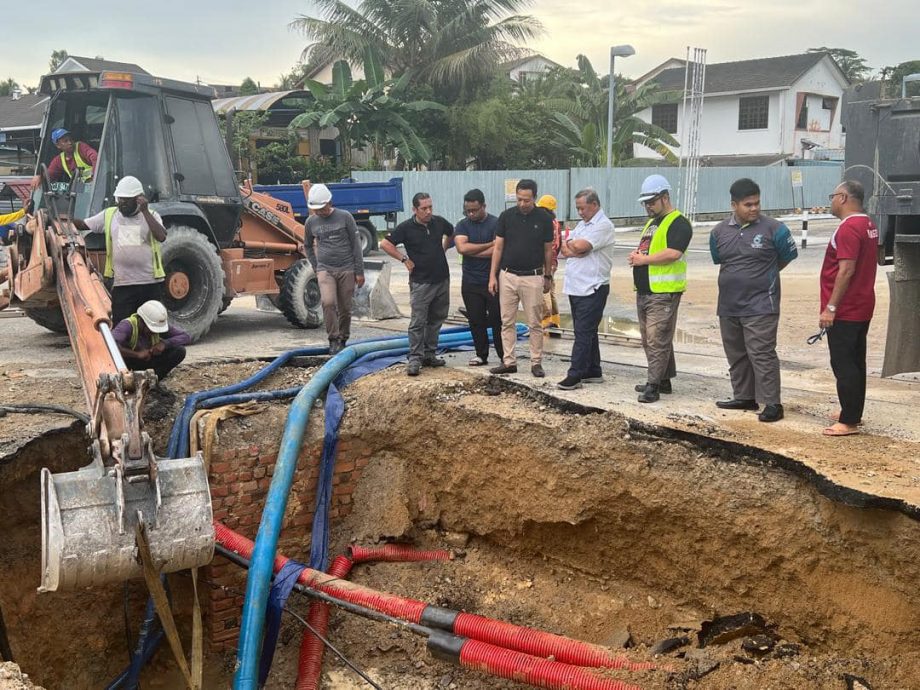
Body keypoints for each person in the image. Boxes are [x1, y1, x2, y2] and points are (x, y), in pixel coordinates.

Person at [710, 178, 798, 422]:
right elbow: (721, 260)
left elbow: (787, 257)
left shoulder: (774, 229)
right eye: (748, 204)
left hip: (761, 304)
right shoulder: (718, 232)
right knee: (736, 353)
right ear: (734, 205)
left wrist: (761, 276)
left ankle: (772, 403)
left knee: (761, 353)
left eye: (757, 203)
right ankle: (744, 396)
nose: (754, 208)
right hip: (728, 305)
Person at [820, 180, 879, 437]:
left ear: (843, 198)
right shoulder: (868, 224)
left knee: (844, 363)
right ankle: (851, 409)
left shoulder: (848, 228)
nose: (831, 200)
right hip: (863, 303)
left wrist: (831, 307)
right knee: (856, 360)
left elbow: (846, 270)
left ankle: (849, 420)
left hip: (846, 308)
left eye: (833, 195)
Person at [628, 174, 693, 403]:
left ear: (665, 197)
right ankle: (663, 379)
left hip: (663, 292)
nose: (648, 206)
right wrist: (638, 257)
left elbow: (673, 253)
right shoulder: (652, 223)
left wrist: (643, 261)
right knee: (651, 338)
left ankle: (653, 385)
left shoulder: (678, 223)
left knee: (657, 339)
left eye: (652, 201)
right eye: (645, 202)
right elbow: (649, 251)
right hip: (646, 290)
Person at [73, 175, 167, 324]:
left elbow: (161, 236)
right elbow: (84, 224)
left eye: (126, 200)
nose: (121, 204)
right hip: (123, 284)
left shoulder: (152, 216)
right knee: (122, 328)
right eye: (119, 199)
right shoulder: (110, 215)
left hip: (149, 283)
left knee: (150, 329)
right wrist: (63, 219)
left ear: (138, 199)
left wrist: (146, 212)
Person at [380, 192, 453, 376]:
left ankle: (430, 354)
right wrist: (404, 259)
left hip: (442, 279)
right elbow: (385, 244)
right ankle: (415, 358)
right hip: (421, 281)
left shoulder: (439, 222)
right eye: (424, 208)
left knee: (437, 318)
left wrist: (444, 248)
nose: (428, 211)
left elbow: (451, 233)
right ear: (415, 209)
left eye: (430, 207)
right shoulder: (406, 228)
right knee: (418, 321)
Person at [488, 179, 555, 378]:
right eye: (519, 199)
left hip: (533, 277)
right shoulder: (506, 217)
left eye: (526, 200)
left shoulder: (543, 218)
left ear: (534, 197)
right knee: (506, 320)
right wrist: (493, 276)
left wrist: (548, 275)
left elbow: (548, 249)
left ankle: (536, 362)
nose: (522, 204)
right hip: (507, 275)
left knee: (534, 322)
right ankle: (509, 361)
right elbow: (498, 247)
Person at [556, 189, 615, 390]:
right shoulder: (583, 225)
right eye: (578, 208)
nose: (580, 212)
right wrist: (573, 247)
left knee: (583, 333)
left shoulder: (603, 225)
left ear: (595, 205)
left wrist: (575, 247)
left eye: (582, 208)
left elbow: (580, 246)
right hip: (576, 286)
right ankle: (593, 369)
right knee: (588, 331)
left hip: (593, 287)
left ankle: (575, 374)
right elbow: (565, 248)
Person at [303, 183, 365, 354]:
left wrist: (359, 271)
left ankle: (343, 337)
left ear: (329, 202)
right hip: (325, 269)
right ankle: (333, 338)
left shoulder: (345, 217)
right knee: (328, 302)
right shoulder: (311, 222)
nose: (319, 212)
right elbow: (307, 245)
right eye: (316, 209)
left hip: (347, 268)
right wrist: (316, 266)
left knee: (345, 307)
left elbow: (356, 246)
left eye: (322, 208)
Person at [453, 189, 503, 366]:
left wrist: (477, 250)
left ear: (484, 206)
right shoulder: (463, 225)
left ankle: (504, 356)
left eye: (475, 210)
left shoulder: (496, 223)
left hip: (493, 281)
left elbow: (499, 251)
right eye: (468, 210)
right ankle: (481, 354)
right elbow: (462, 248)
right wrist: (490, 245)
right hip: (470, 281)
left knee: (498, 319)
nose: (471, 214)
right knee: (476, 320)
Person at [112, 300, 190, 381]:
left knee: (180, 351)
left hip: (149, 361)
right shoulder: (127, 326)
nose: (154, 333)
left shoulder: (157, 324)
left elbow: (185, 337)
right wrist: (137, 354)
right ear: (142, 321)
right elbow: (111, 345)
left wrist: (164, 344)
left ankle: (152, 382)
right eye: (151, 330)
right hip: (130, 365)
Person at [30, 128, 98, 189]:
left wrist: (95, 178)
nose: (70, 142)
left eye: (70, 139)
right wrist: (40, 177)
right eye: (65, 141)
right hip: (82, 191)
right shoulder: (59, 160)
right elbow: (49, 175)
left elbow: (95, 157)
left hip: (96, 187)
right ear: (58, 145)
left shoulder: (81, 147)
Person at [537, 194, 564, 330]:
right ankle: (555, 318)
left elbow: (542, 245)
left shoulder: (545, 223)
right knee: (551, 291)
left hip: (544, 262)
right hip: (553, 262)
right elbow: (559, 245)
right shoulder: (556, 223)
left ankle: (546, 319)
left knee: (541, 290)